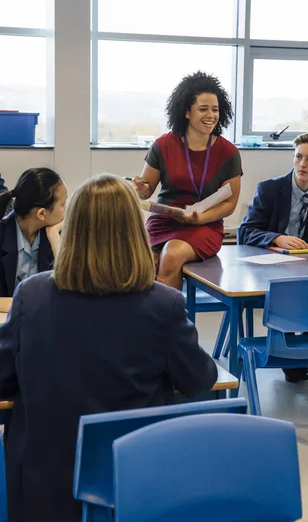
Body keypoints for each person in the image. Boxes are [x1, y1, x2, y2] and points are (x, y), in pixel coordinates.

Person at [0, 174, 217, 522]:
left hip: (45, 487)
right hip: (132, 481)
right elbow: (199, 380)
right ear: (136, 232)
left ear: (72, 227)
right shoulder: (165, 305)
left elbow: (3, 379)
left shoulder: (31, 296)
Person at [238, 132, 308, 383]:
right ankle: (292, 357)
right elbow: (245, 231)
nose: (302, 164)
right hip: (271, 266)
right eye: (298, 157)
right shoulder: (269, 188)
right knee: (289, 295)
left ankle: (303, 349)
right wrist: (277, 238)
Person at [133, 71, 242, 289]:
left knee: (171, 254)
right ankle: (142, 319)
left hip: (205, 225)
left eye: (215, 109)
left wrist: (198, 219)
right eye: (203, 109)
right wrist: (140, 188)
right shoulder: (163, 145)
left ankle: (168, 320)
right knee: (140, 259)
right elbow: (146, 191)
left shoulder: (228, 152)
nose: (210, 115)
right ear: (186, 112)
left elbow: (229, 204)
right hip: (165, 220)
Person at [0, 168, 67, 297]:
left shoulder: (59, 234)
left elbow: (71, 292)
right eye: (63, 204)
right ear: (42, 213)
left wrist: (54, 238)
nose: (67, 209)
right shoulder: (3, 236)